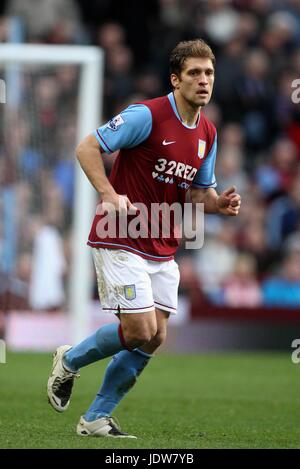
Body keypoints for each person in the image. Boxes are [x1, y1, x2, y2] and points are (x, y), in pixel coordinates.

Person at [47, 39, 241, 438]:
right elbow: (87, 147)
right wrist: (108, 193)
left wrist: (219, 204)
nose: (204, 81)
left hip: (162, 241)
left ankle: (96, 417)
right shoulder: (146, 115)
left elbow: (198, 193)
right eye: (194, 74)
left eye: (209, 73)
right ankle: (70, 360)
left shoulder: (207, 131)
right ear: (176, 79)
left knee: (154, 337)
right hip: (121, 234)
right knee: (138, 330)